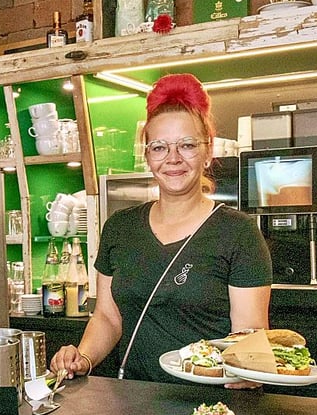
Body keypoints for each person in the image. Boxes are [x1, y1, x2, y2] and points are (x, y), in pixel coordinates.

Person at [50, 73, 272, 387]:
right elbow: (108, 318)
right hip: (132, 400)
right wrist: (83, 358)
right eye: (159, 148)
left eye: (187, 145)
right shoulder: (120, 228)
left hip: (209, 407)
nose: (173, 159)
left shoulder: (238, 233)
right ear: (148, 157)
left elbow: (248, 333)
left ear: (208, 153)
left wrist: (249, 374)